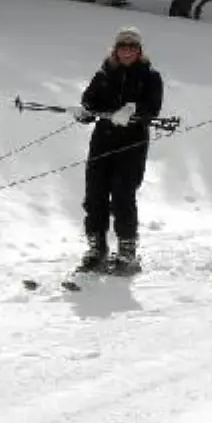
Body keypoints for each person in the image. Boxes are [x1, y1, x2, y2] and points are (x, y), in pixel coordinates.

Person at [72, 27, 164, 273]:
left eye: (132, 47)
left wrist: (134, 112)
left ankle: (127, 251)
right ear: (115, 49)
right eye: (122, 46)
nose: (127, 51)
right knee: (95, 195)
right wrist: (85, 111)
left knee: (123, 195)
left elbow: (153, 108)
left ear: (139, 50)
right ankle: (96, 248)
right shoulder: (104, 73)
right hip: (103, 140)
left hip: (132, 143)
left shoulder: (150, 76)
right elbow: (90, 101)